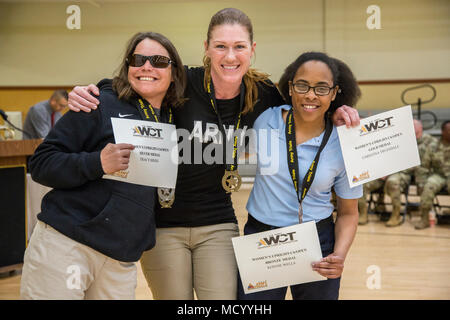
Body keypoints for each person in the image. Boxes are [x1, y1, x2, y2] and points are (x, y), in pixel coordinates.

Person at [67, 8, 361, 300]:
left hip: (217, 221)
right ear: (206, 48)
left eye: (239, 47)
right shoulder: (182, 82)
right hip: (164, 221)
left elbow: (308, 102)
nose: (230, 56)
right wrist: (98, 90)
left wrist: (339, 110)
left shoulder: (264, 93)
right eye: (220, 46)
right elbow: (140, 82)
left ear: (252, 49)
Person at [20, 32, 186, 299]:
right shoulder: (98, 102)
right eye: (138, 59)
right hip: (68, 244)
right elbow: (42, 162)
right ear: (128, 66)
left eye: (158, 61)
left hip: (119, 258)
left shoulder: (173, 119)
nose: (147, 66)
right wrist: (97, 162)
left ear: (175, 72)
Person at [238, 52, 362, 300]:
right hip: (263, 239)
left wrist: (338, 256)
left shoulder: (345, 142)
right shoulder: (265, 120)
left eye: (322, 88)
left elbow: (349, 212)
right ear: (290, 88)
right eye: (302, 85)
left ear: (335, 92)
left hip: (318, 243)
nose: (311, 95)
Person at [383, 119, 438, 227]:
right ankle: (396, 215)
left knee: (430, 184)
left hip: (424, 173)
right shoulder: (401, 140)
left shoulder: (431, 142)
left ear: (420, 128)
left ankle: (426, 215)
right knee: (392, 181)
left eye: (412, 127)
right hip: (404, 171)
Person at [414, 120, 450, 229]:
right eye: (449, 130)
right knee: (427, 188)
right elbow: (424, 166)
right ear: (442, 131)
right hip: (438, 175)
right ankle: (424, 219)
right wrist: (420, 183)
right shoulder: (433, 146)